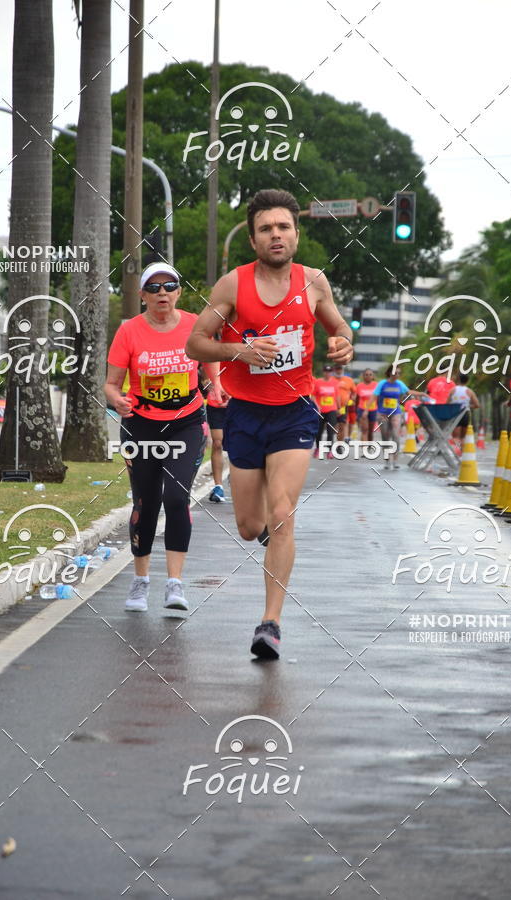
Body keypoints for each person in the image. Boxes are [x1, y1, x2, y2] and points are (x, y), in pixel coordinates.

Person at [185, 188, 354, 659]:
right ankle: (270, 538)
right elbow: (195, 343)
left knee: (282, 515)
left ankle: (270, 624)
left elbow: (340, 328)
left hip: (295, 412)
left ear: (296, 234)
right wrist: (237, 350)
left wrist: (344, 343)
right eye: (266, 229)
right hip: (244, 413)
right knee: (248, 525)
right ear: (254, 240)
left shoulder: (314, 282)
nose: (275, 235)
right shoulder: (232, 287)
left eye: (283, 227)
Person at [105, 263, 222, 614]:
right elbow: (110, 384)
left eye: (169, 286)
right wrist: (117, 399)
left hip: (185, 422)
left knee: (176, 497)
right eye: (153, 288)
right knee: (146, 503)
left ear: (178, 292)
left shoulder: (192, 325)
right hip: (141, 424)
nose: (162, 294)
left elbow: (209, 362)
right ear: (142, 295)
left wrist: (216, 385)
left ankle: (175, 583)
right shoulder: (129, 332)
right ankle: (141, 582)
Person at [374, 365, 429, 469]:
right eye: (395, 373)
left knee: (396, 435)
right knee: (385, 437)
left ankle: (395, 461)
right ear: (390, 373)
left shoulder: (400, 384)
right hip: (383, 413)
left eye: (399, 373)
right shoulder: (382, 384)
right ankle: (387, 460)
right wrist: (367, 410)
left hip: (396, 412)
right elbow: (374, 396)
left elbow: (409, 392)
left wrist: (421, 394)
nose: (397, 375)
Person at [205, 375, 230, 503]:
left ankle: (240, 477)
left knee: (238, 442)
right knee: (217, 443)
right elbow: (203, 376)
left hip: (238, 402)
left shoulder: (240, 355)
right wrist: (208, 383)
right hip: (216, 404)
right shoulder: (212, 356)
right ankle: (218, 486)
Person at [312, 364, 340, 457]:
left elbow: (337, 396)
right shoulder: (318, 382)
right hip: (320, 410)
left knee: (330, 431)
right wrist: (317, 406)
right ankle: (318, 448)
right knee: (319, 431)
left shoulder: (334, 382)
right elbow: (313, 396)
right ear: (323, 372)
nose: (327, 373)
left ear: (331, 372)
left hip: (332, 409)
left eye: (329, 371)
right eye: (326, 371)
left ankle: (329, 451)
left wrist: (339, 408)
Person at [448, 374, 479, 446]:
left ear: (458, 380)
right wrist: (467, 405)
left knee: (455, 437)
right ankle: (462, 454)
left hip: (455, 413)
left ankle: (455, 452)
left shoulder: (453, 390)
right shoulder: (469, 391)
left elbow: (447, 403)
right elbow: (477, 405)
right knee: (463, 437)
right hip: (465, 414)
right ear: (467, 381)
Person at [332, 362, 356, 442]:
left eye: (340, 369)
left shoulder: (348, 380)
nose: (339, 371)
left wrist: (352, 399)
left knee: (342, 426)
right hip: (332, 407)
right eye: (337, 369)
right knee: (332, 427)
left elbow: (354, 392)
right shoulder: (330, 380)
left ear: (342, 370)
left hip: (343, 407)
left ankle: (339, 445)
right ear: (334, 370)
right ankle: (330, 444)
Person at [355, 368, 378, 441]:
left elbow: (379, 398)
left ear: (373, 376)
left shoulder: (376, 385)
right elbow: (357, 399)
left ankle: (369, 445)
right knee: (365, 430)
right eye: (366, 375)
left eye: (370, 375)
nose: (368, 376)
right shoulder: (359, 386)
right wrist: (356, 411)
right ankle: (365, 448)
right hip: (362, 409)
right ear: (363, 376)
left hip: (373, 409)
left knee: (370, 431)